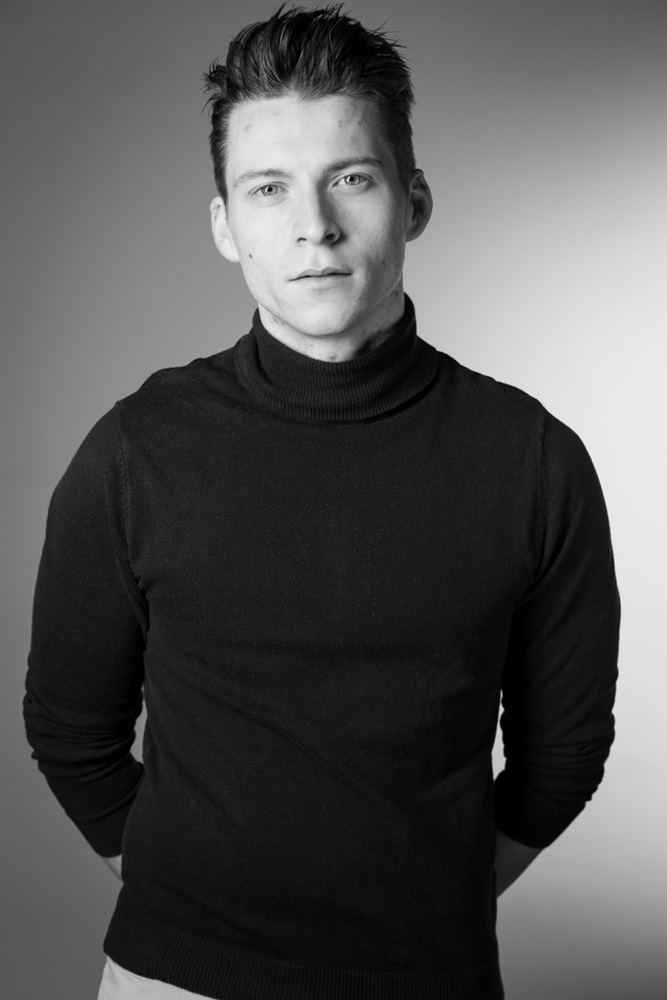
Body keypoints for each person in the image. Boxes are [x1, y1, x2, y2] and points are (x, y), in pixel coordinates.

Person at [24, 5, 620, 999]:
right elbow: (68, 729)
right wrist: (190, 905)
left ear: (413, 200)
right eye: (268, 188)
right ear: (225, 225)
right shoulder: (136, 450)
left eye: (351, 177)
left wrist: (432, 907)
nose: (314, 224)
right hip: (173, 979)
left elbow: (563, 754)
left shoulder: (532, 460)